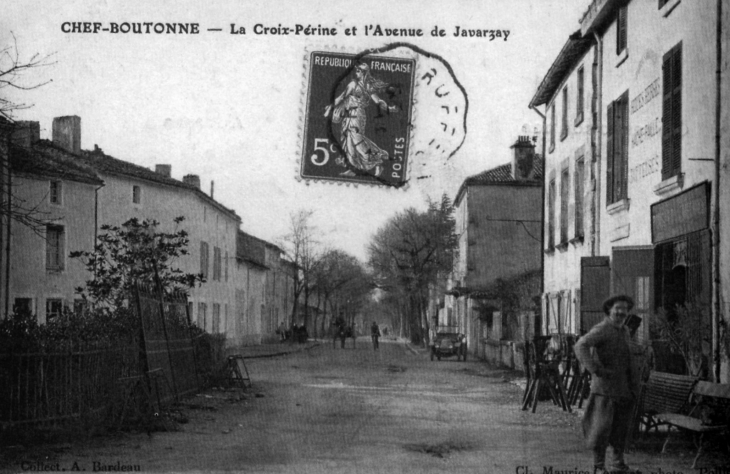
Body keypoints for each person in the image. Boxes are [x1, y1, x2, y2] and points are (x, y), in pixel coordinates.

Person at [574, 295, 636, 474]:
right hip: (604, 390)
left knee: (620, 428)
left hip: (623, 388)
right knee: (600, 429)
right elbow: (580, 345)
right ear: (609, 309)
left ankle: (618, 464)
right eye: (617, 308)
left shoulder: (624, 330)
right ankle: (599, 467)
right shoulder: (603, 328)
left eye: (625, 308)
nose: (621, 312)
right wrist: (595, 369)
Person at [324, 62, 398, 177]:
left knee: (357, 141)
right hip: (349, 114)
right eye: (356, 70)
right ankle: (353, 168)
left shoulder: (367, 86)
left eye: (358, 71)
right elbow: (342, 96)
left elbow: (378, 101)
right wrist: (331, 107)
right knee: (349, 142)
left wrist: (389, 108)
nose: (356, 72)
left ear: (364, 73)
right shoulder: (353, 84)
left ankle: (377, 162)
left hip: (358, 114)